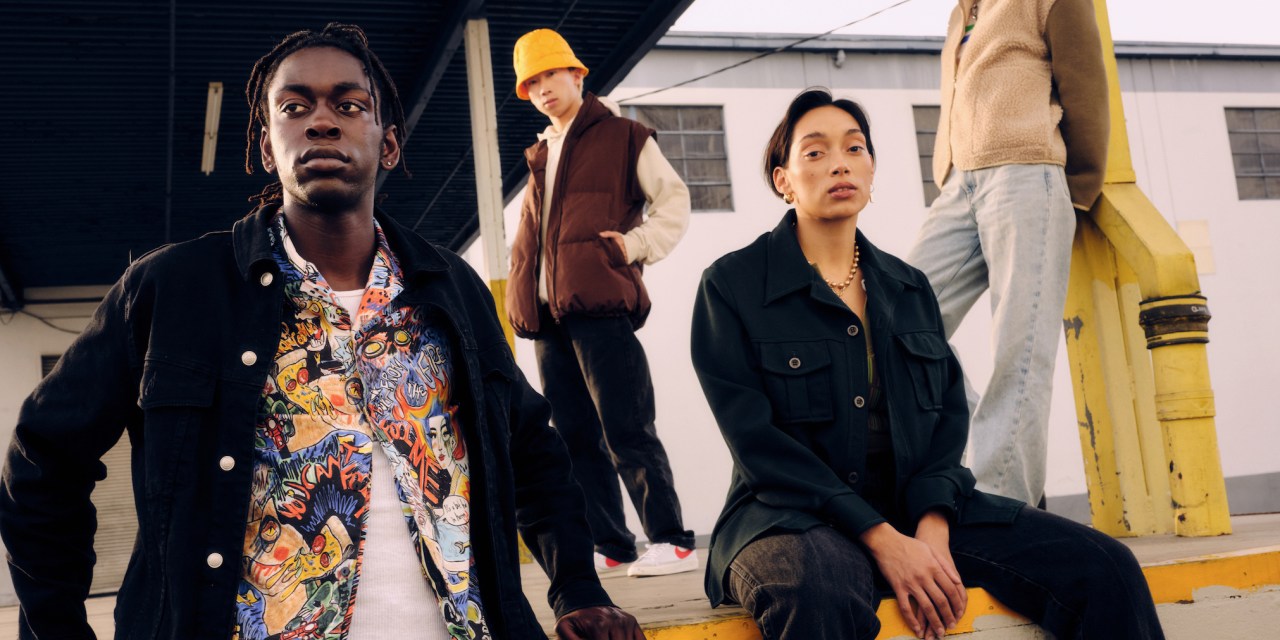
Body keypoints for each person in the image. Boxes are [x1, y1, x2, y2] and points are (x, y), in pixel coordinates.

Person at [0, 23, 644, 640]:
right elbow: (41, 458)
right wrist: (56, 630)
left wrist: (579, 588)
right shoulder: (172, 289)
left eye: (350, 104)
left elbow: (532, 449)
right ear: (263, 145)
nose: (323, 120)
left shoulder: (452, 289)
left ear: (387, 143)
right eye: (294, 106)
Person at [690, 88, 1163, 640]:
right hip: (788, 517)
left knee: (1106, 567)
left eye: (855, 148)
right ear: (783, 180)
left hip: (914, 509)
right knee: (817, 590)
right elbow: (759, 446)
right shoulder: (733, 285)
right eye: (814, 153)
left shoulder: (908, 288)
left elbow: (944, 427)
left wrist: (932, 529)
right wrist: (882, 539)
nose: (839, 162)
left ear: (871, 170)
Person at [506, 28, 696, 578]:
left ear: (578, 75)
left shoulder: (624, 136)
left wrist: (636, 246)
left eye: (551, 75)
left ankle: (672, 539)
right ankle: (612, 543)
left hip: (601, 308)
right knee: (574, 439)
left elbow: (673, 200)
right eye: (532, 82)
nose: (543, 89)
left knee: (627, 428)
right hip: (551, 319)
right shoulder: (543, 152)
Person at [906, 0, 1111, 506]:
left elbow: (1086, 89)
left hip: (1027, 173)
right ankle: (980, 446)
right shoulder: (962, 12)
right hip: (960, 186)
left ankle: (1005, 506)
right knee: (898, 316)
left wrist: (1078, 187)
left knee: (1019, 351)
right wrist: (947, 172)